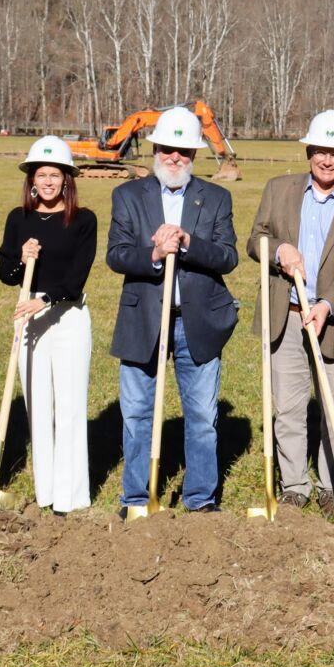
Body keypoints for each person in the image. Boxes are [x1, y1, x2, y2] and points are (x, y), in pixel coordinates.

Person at [246, 110, 334, 515]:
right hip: (284, 314)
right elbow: (255, 240)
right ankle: (294, 486)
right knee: (287, 406)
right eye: (321, 151)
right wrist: (277, 251)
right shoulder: (278, 190)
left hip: (333, 319)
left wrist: (326, 304)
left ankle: (332, 486)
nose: (328, 160)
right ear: (309, 151)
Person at [106, 107, 239, 513]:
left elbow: (228, 257)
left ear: (195, 154)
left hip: (196, 321)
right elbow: (116, 255)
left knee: (201, 416)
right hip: (143, 319)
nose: (174, 157)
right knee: (137, 414)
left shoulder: (216, 198)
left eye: (183, 150)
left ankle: (200, 499)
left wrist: (186, 244)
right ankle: (136, 498)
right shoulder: (128, 195)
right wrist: (155, 253)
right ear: (155, 149)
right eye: (167, 149)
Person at [0, 136, 98, 514]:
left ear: (67, 179)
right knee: (38, 404)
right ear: (32, 180)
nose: (49, 182)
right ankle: (47, 492)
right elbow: (4, 272)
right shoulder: (17, 219)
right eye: (42, 175)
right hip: (29, 316)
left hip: (68, 315)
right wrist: (21, 260)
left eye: (56, 175)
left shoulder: (83, 220)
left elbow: (77, 276)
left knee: (69, 405)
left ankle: (71, 496)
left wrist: (46, 299)